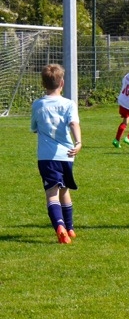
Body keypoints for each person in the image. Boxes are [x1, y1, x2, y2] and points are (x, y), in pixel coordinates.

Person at [30, 64, 82, 244]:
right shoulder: (69, 104)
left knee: (52, 193)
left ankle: (60, 227)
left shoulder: (38, 104)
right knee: (65, 190)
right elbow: (74, 123)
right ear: (62, 83)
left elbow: (34, 127)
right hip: (67, 154)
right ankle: (70, 228)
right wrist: (78, 142)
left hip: (47, 157)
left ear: (43, 84)